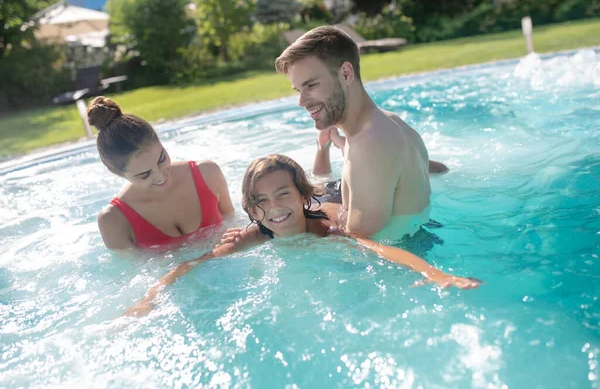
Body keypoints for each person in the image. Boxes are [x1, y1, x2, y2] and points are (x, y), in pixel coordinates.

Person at [124, 155, 480, 317]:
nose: (273, 208)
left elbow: (378, 249)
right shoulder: (258, 232)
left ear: (299, 195)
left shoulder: (325, 229)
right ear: (251, 208)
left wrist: (433, 272)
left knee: (411, 174)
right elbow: (193, 263)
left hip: (336, 195)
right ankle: (323, 149)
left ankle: (424, 161)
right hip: (316, 193)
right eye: (260, 201)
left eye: (282, 194)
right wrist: (150, 297)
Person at [274, 26, 449, 239]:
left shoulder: (370, 143)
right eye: (299, 90)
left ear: (346, 74)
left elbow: (358, 246)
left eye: (311, 85)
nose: (301, 101)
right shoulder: (389, 123)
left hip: (399, 266)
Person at [89, 97, 234, 250]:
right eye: (144, 174)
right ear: (116, 172)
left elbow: (235, 224)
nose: (160, 176)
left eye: (161, 159)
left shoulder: (207, 173)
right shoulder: (114, 220)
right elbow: (131, 272)